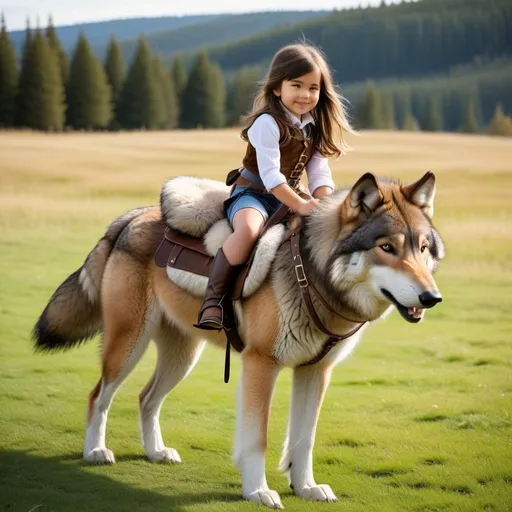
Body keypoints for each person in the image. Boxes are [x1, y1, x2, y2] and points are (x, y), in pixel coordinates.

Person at [195, 42, 355, 331]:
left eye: (313, 88)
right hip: (254, 195)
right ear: (278, 88)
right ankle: (213, 301)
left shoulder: (314, 126)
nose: (306, 95)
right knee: (249, 232)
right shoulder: (267, 123)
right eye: (297, 85)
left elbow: (319, 172)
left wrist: (326, 203)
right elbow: (271, 177)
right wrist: (303, 205)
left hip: (289, 195)